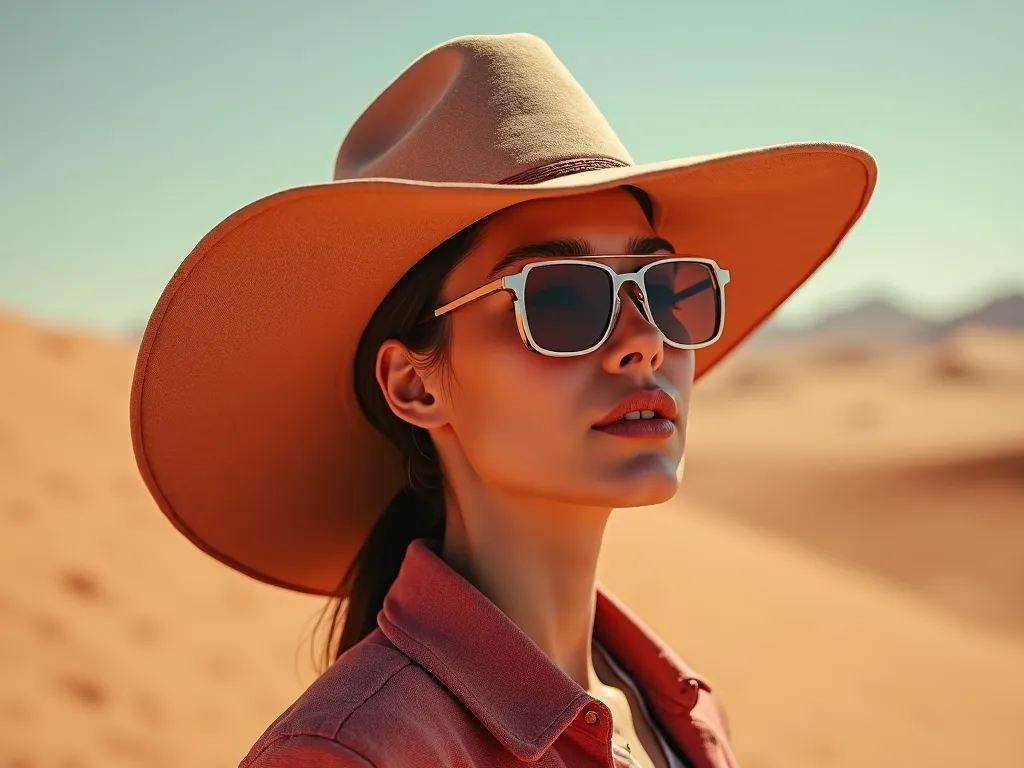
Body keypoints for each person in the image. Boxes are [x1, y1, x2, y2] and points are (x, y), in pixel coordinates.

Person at [129, 33, 876, 768]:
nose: (644, 342)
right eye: (559, 300)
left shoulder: (682, 711)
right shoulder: (358, 755)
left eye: (666, 288)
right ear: (415, 385)